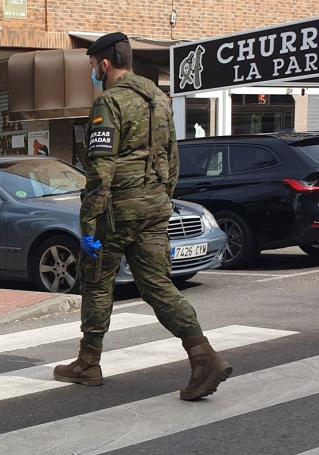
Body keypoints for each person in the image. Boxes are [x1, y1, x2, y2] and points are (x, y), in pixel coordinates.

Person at [54, 32, 232, 401]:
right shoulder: (158, 99)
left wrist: (88, 225)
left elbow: (100, 171)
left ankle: (89, 362)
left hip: (118, 211)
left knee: (98, 282)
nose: (93, 73)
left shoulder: (110, 103)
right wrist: (161, 200)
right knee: (157, 285)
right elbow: (173, 156)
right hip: (155, 207)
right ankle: (203, 355)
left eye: (92, 66)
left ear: (104, 64)